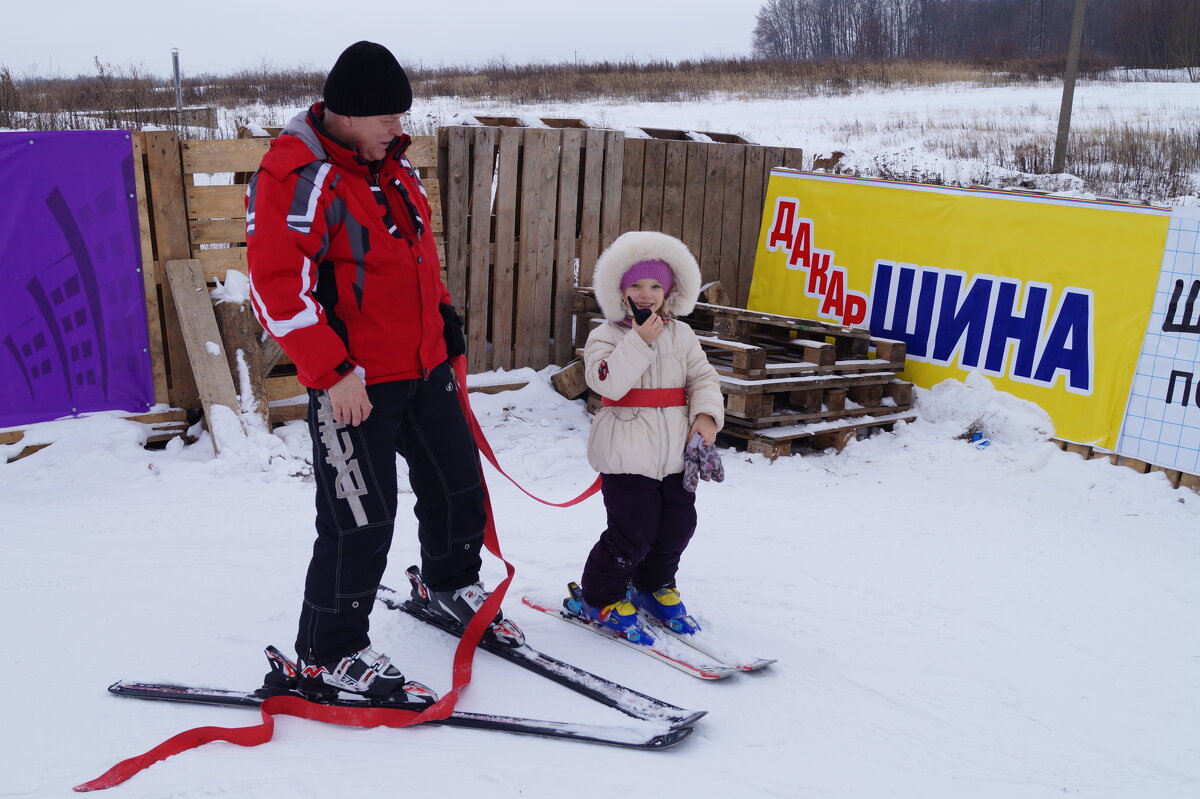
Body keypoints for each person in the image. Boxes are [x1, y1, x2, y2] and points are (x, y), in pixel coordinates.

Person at [247, 41, 518, 703]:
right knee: (361, 519)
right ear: (346, 113)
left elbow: (419, 257)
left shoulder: (394, 168)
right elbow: (276, 287)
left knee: (458, 485)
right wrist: (333, 370)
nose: (401, 127)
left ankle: (449, 583)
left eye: (401, 116)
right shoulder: (297, 173)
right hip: (354, 383)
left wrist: (445, 317)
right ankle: (326, 653)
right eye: (387, 117)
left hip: (423, 368)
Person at [564, 231, 725, 644]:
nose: (646, 294)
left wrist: (706, 415)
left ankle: (653, 587)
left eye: (655, 285)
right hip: (626, 452)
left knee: (677, 525)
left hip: (675, 453)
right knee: (633, 532)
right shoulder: (606, 335)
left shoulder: (682, 334)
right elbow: (608, 385)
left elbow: (703, 377)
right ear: (620, 290)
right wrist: (639, 340)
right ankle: (600, 598)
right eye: (636, 284)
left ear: (669, 290)